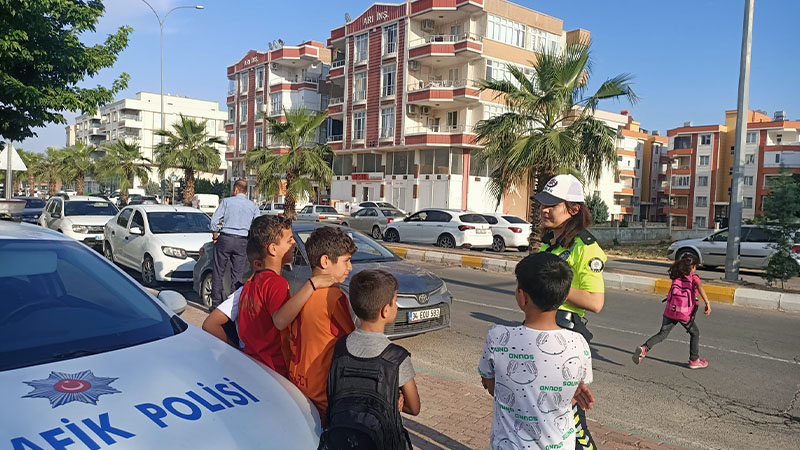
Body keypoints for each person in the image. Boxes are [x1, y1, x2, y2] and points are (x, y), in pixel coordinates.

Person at [479, 252, 594, 450]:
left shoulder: (498, 336)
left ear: (523, 296)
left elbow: (491, 385)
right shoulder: (579, 342)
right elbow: (577, 393)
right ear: (565, 297)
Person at [533, 173, 605, 450]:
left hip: (567, 335)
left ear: (574, 209)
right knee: (545, 413)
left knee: (572, 418)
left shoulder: (586, 249)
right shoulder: (549, 242)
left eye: (553, 204)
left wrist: (549, 286)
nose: (545, 209)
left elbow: (595, 302)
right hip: (541, 332)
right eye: (542, 203)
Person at [320, 269, 419, 450]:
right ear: (385, 310)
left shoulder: (339, 347)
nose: (396, 307)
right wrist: (396, 400)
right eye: (395, 302)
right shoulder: (397, 357)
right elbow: (414, 408)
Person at [235, 215, 335, 377]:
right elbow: (280, 321)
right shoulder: (275, 283)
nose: (294, 244)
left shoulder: (251, 282)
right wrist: (312, 284)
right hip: (274, 370)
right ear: (273, 249)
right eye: (289, 240)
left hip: (252, 364)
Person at [287, 226, 357, 418]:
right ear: (325, 261)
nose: (350, 268)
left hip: (297, 386)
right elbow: (352, 343)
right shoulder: (333, 298)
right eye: (346, 261)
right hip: (322, 396)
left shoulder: (300, 294)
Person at [633, 254, 711, 368]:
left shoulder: (676, 276)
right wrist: (707, 303)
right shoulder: (693, 277)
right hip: (684, 313)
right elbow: (700, 287)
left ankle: (644, 348)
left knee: (662, 334)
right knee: (695, 333)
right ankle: (694, 360)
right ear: (693, 266)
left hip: (670, 310)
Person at [209, 179, 260, 309]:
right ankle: (231, 307)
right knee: (237, 276)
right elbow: (258, 224)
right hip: (242, 241)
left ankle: (215, 305)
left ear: (235, 190)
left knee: (218, 272)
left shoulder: (226, 202)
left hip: (225, 239)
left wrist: (215, 236)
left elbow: (214, 222)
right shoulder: (253, 206)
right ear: (246, 191)